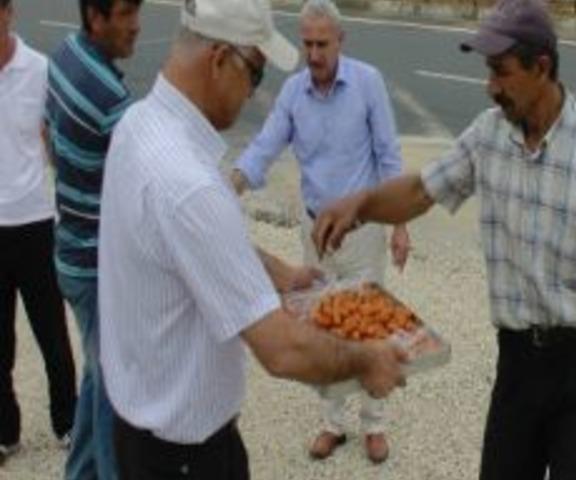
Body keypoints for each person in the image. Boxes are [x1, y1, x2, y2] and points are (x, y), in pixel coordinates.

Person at [311, 0, 576, 478]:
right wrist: (361, 206)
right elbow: (420, 191)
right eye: (488, 71)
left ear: (542, 67)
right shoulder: (488, 136)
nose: (490, 86)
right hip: (517, 362)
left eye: (501, 72)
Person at [98, 0, 406, 478]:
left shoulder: (138, 124)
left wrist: (281, 273)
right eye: (256, 74)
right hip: (186, 454)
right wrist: (366, 359)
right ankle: (338, 420)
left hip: (143, 429)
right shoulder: (191, 186)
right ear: (220, 59)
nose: (253, 93)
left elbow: (196, 247)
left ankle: (369, 425)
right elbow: (282, 349)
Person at [231, 0, 408, 464]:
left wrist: (400, 224)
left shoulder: (368, 83)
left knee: (368, 324)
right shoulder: (293, 92)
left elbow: (389, 155)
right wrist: (233, 184)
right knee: (323, 325)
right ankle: (333, 422)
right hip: (314, 232)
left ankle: (375, 423)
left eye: (322, 44)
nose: (313, 54)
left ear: (340, 41)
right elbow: (265, 145)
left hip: (362, 230)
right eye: (307, 44)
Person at [44, 0, 143, 477]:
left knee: (97, 374)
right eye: (125, 14)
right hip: (96, 267)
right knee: (113, 398)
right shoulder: (110, 100)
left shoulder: (64, 55)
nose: (136, 26)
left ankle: (79, 472)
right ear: (95, 18)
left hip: (68, 248)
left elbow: (46, 136)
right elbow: (142, 191)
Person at [0, 0, 77, 466]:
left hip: (35, 219)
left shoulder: (39, 69)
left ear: (9, 12)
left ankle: (68, 422)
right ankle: (5, 432)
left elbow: (55, 140)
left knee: (51, 331)